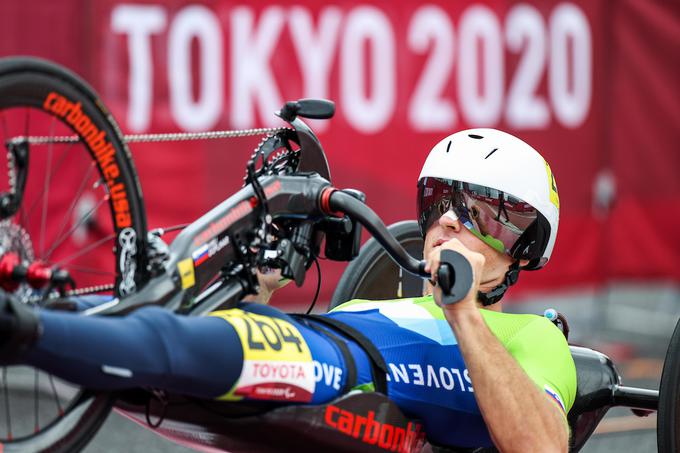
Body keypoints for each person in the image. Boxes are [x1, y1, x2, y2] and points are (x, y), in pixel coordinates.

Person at [0, 128, 575, 452]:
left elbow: (542, 448)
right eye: (441, 205)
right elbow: (279, 347)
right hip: (312, 353)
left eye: (478, 214)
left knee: (169, 340)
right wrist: (262, 291)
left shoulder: (536, 337)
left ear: (523, 246)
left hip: (339, 371)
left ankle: (22, 326)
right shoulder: (372, 302)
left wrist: (465, 312)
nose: (449, 223)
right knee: (141, 316)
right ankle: (27, 312)